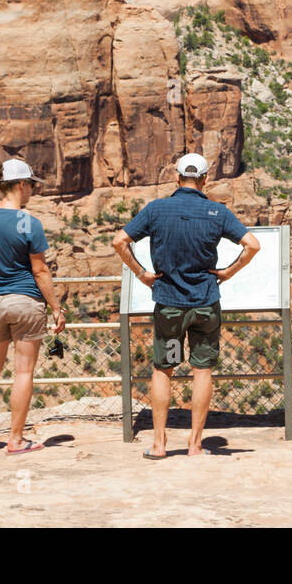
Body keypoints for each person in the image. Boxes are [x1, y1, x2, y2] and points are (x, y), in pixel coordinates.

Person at [113, 153, 262, 459]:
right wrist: (227, 273)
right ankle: (195, 444)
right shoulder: (216, 212)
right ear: (205, 179)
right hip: (205, 304)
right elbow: (253, 245)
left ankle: (159, 444)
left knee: (164, 369)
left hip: (169, 306)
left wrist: (142, 275)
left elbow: (119, 242)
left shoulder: (157, 209)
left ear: (177, 178)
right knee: (202, 370)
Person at [0, 158, 64, 455]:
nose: (33, 190)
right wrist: (57, 308)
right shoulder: (28, 222)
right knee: (23, 372)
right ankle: (16, 439)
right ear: (21, 185)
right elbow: (40, 272)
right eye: (32, 185)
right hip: (25, 302)